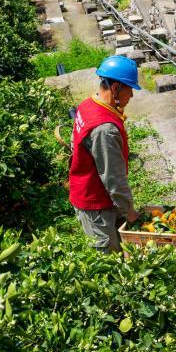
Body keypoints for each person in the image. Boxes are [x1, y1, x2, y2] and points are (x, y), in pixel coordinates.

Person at [69, 55, 141, 253]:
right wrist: (130, 212)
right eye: (130, 89)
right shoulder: (105, 128)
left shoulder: (87, 105)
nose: (132, 96)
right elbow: (113, 178)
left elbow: (73, 143)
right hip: (96, 204)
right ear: (116, 88)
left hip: (94, 193)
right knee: (109, 262)